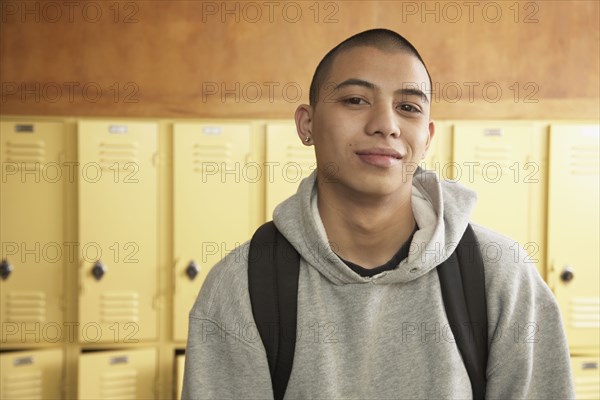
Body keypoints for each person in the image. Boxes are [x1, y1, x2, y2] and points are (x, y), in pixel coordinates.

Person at [182, 28, 575, 399]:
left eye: (408, 107)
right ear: (307, 124)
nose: (386, 125)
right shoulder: (241, 286)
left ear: (427, 138)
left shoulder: (501, 276)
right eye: (355, 100)